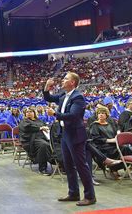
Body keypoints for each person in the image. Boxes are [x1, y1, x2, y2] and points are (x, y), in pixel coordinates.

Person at [45, 72, 96, 206]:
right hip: (65, 134)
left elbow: (73, 115)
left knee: (81, 166)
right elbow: (49, 98)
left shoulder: (77, 97)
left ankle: (90, 196)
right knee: (68, 165)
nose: (62, 80)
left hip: (75, 135)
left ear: (72, 82)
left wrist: (55, 114)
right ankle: (73, 193)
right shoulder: (63, 95)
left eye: (65, 79)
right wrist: (46, 88)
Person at [88, 105, 124, 179]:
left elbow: (116, 131)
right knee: (116, 150)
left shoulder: (110, 124)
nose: (101, 114)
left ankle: (115, 168)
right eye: (99, 113)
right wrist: (109, 140)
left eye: (103, 113)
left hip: (113, 144)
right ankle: (113, 169)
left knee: (127, 149)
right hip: (102, 145)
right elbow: (95, 139)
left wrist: (117, 135)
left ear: (106, 115)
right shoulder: (94, 125)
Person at [18, 107, 52, 175]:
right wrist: (40, 128)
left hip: (43, 138)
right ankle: (42, 168)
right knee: (44, 145)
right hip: (31, 140)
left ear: (34, 113)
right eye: (27, 112)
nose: (29, 113)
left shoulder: (39, 120)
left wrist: (47, 128)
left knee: (55, 144)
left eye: (31, 112)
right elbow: (27, 128)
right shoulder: (24, 121)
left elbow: (46, 126)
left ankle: (61, 165)